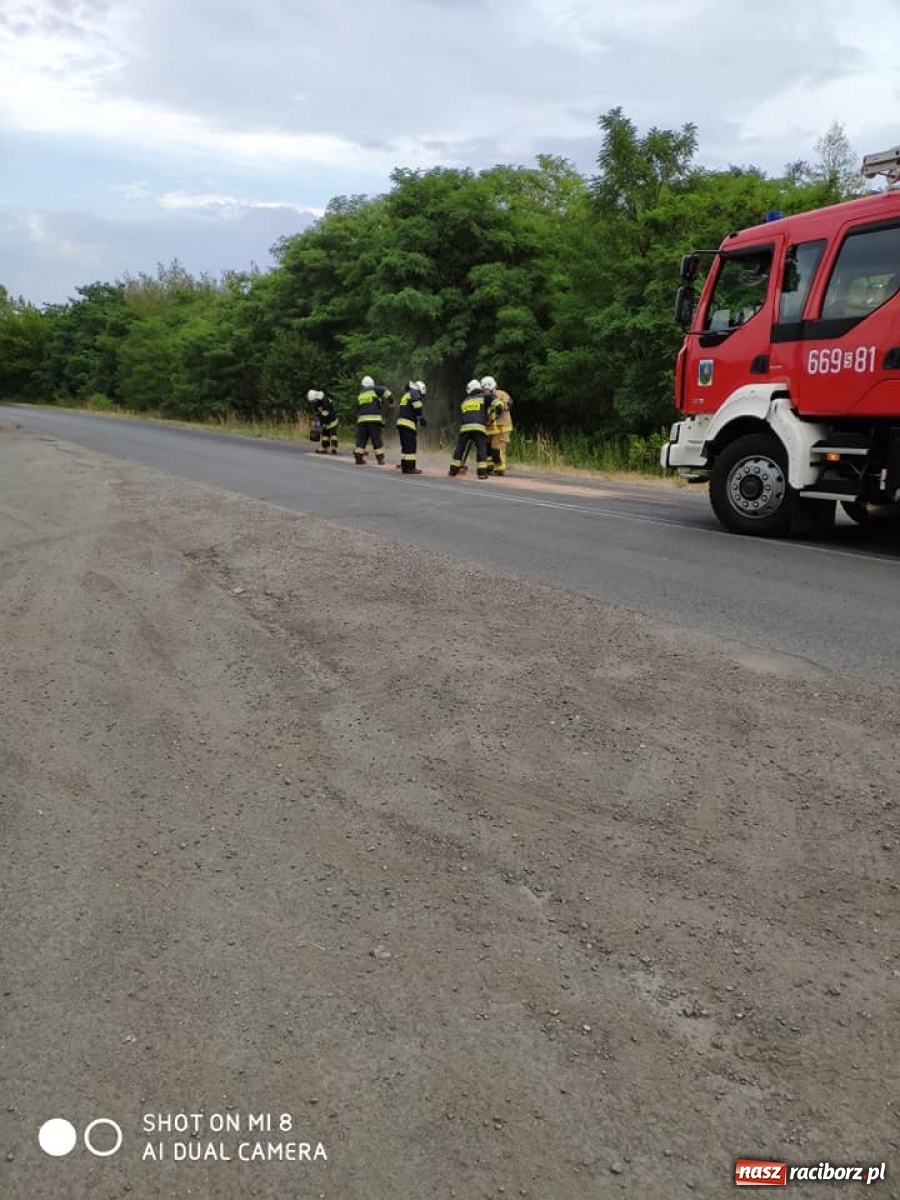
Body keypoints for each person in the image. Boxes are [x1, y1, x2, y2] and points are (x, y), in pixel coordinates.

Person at [448, 380, 490, 479]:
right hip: (479, 427)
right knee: (481, 448)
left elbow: (463, 415)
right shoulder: (483, 396)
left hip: (465, 427)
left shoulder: (465, 401)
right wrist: (499, 408)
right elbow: (494, 401)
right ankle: (482, 473)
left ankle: (453, 470)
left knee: (460, 448)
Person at [354, 375, 392, 465]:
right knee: (376, 439)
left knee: (361, 439)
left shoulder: (360, 393)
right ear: (372, 384)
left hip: (362, 420)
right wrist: (391, 401)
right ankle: (380, 459)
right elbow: (385, 391)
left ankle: (358, 458)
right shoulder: (374, 388)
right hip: (373, 419)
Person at [481, 375, 513, 476]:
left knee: (496, 449)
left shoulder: (501, 394)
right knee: (487, 449)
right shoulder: (482, 397)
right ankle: (489, 466)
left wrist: (498, 406)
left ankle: (500, 468)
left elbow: (508, 404)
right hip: (489, 428)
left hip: (501, 427)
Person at [395, 380, 427, 474]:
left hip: (401, 423)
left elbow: (409, 408)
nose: (420, 397)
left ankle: (404, 467)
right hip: (408, 423)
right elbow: (417, 405)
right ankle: (410, 468)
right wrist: (421, 417)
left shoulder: (406, 394)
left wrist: (418, 417)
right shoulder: (414, 392)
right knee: (411, 446)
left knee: (405, 447)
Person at [307, 389, 339, 454]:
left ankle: (334, 447)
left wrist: (319, 416)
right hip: (324, 420)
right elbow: (317, 411)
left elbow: (326, 412)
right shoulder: (317, 401)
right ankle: (324, 448)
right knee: (325, 435)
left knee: (333, 434)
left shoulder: (324, 399)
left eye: (313, 400)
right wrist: (317, 421)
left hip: (332, 419)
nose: (313, 402)